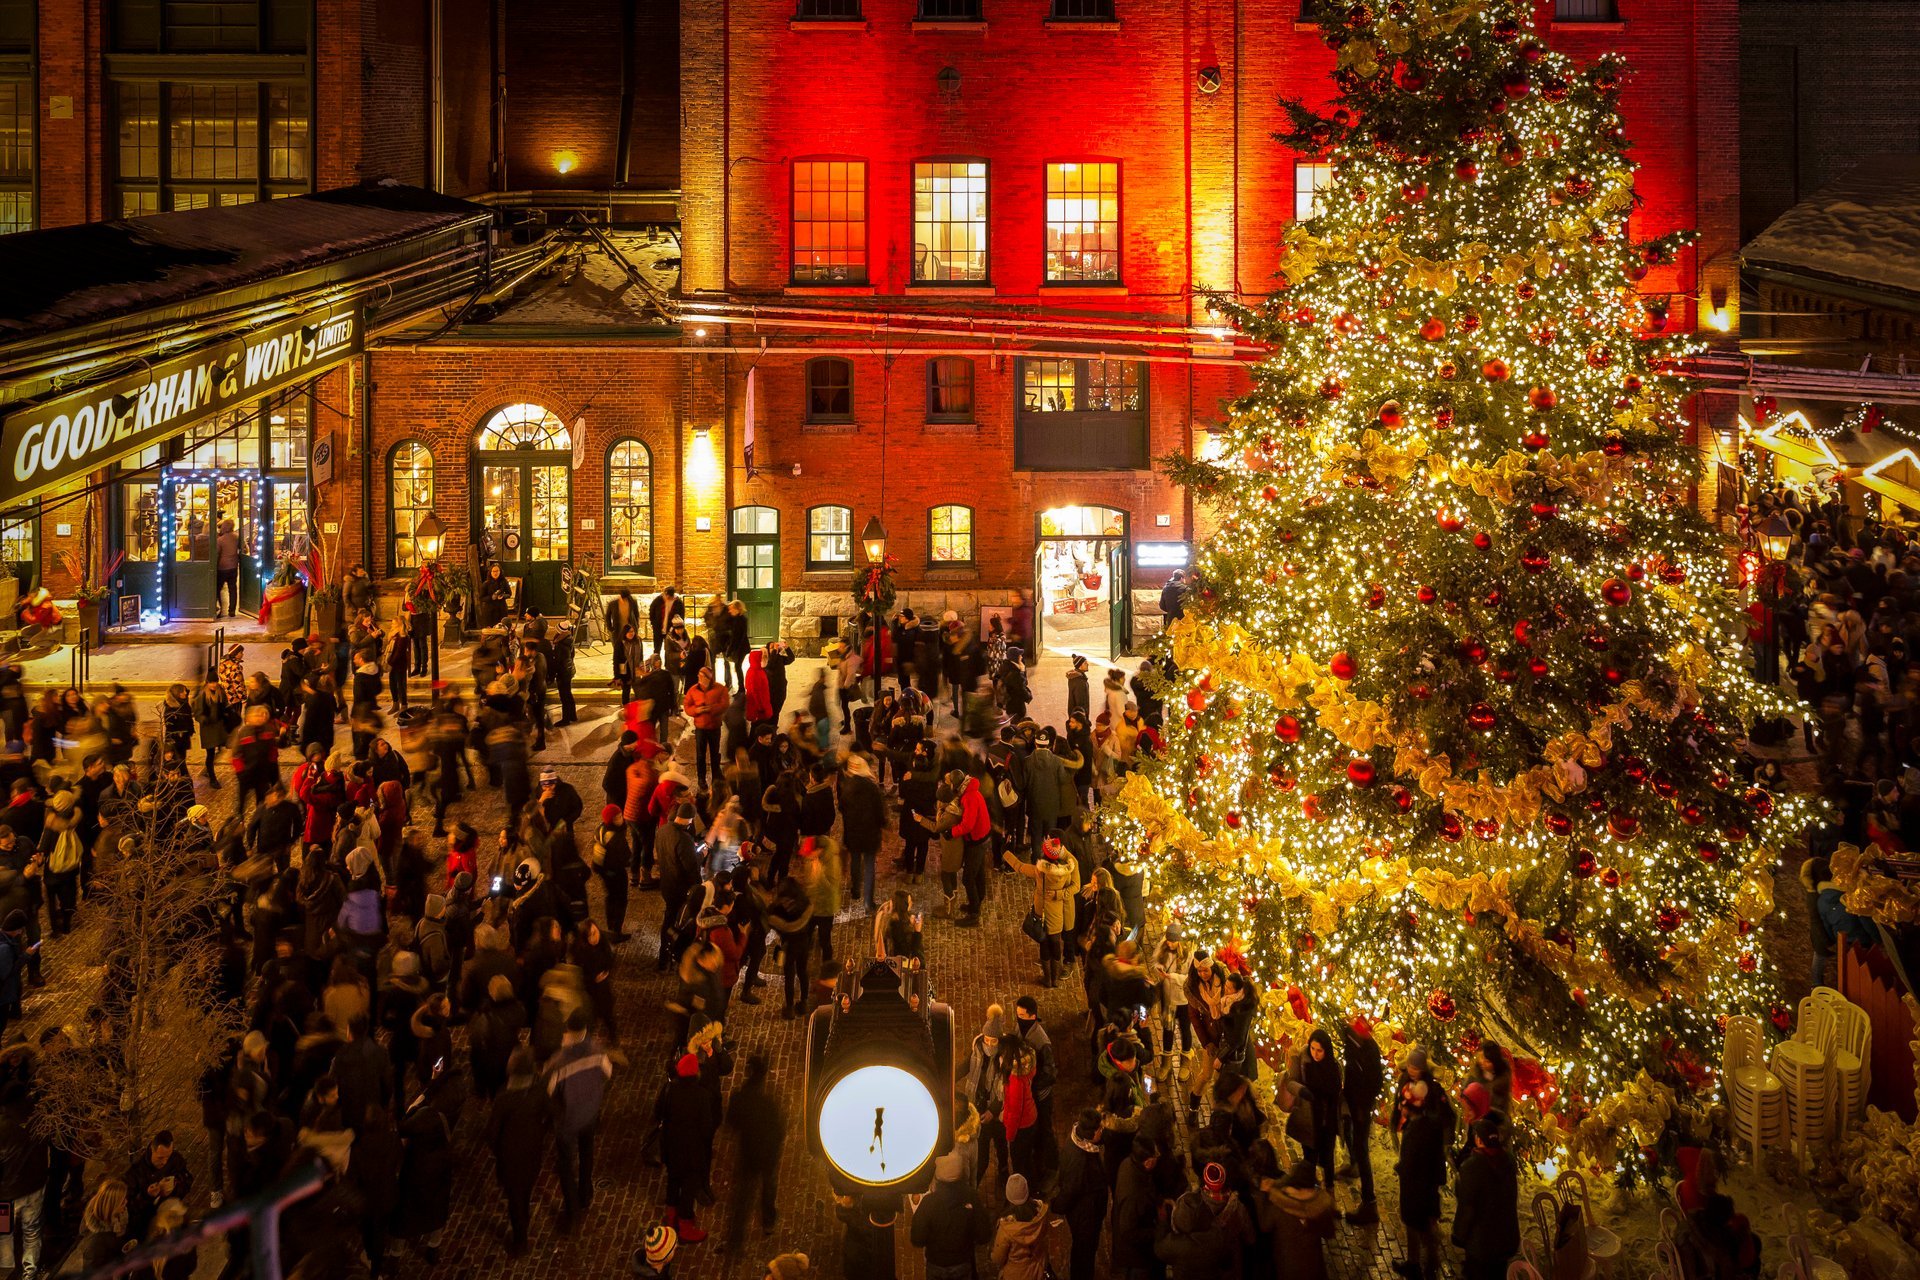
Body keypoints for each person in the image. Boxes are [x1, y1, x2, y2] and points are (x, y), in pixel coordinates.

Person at [545, 1006, 613, 1232]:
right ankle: (586, 1193)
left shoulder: (559, 1061)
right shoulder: (598, 1050)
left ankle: (572, 1209)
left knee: (565, 1165)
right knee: (586, 1154)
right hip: (590, 1113)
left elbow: (549, 1090)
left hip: (567, 1120)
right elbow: (607, 1074)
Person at [723, 1053, 784, 1249]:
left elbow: (732, 1123)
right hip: (768, 1156)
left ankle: (736, 1238)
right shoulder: (769, 1104)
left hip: (748, 1154)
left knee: (743, 1196)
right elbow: (779, 1130)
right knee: (768, 1188)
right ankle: (768, 1221)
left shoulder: (739, 1099)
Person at [661, 1050, 721, 1243]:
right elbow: (706, 1127)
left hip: (671, 1145)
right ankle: (685, 1226)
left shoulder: (669, 1089)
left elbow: (658, 1112)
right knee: (688, 1186)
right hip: (692, 1151)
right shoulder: (701, 1095)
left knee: (673, 1179)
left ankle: (670, 1217)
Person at [1451, 1116, 1521, 1280]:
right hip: (1505, 1239)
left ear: (1478, 1140)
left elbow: (1467, 1207)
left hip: (1481, 1243)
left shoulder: (1472, 1167)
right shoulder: (1508, 1162)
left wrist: (1459, 1235)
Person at [1394, 1080, 1451, 1280]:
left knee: (1416, 1226)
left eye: (1403, 1104)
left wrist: (1401, 1168)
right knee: (1425, 1226)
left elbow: (1412, 1162)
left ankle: (1418, 1264)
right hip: (1428, 1189)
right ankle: (1426, 1263)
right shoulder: (1430, 1124)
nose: (1400, 1107)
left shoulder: (1416, 1132)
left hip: (1416, 1190)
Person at [1003, 836, 1078, 988]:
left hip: (1041, 912)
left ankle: (1047, 978)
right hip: (1057, 914)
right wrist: (1059, 894)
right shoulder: (1067, 871)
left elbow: (1019, 866)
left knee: (1044, 944)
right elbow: (1074, 887)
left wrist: (1005, 853)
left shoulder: (1040, 871)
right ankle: (1056, 979)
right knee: (1056, 944)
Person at [911, 1150, 989, 1280]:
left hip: (936, 1264)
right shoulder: (971, 1197)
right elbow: (984, 1234)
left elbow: (917, 1238)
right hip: (962, 1263)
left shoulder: (929, 1202)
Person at [991, 1174, 1057, 1280]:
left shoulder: (1007, 1227)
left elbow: (998, 1258)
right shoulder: (1041, 1215)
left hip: (1015, 1274)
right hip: (1038, 1270)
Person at [685, 668, 729, 794]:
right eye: (698, 675)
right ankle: (701, 779)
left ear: (709, 678)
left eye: (702, 676)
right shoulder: (693, 690)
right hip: (700, 728)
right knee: (700, 754)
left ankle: (716, 776)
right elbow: (687, 706)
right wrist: (696, 711)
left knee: (715, 753)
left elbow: (725, 704)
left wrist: (711, 708)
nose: (699, 678)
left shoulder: (720, 689)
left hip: (714, 727)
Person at [215, 518, 241, 617]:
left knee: (218, 589)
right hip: (233, 566)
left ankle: (220, 608)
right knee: (232, 589)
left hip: (222, 568)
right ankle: (232, 611)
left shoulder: (220, 540)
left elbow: (217, 554)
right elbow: (243, 548)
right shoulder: (236, 537)